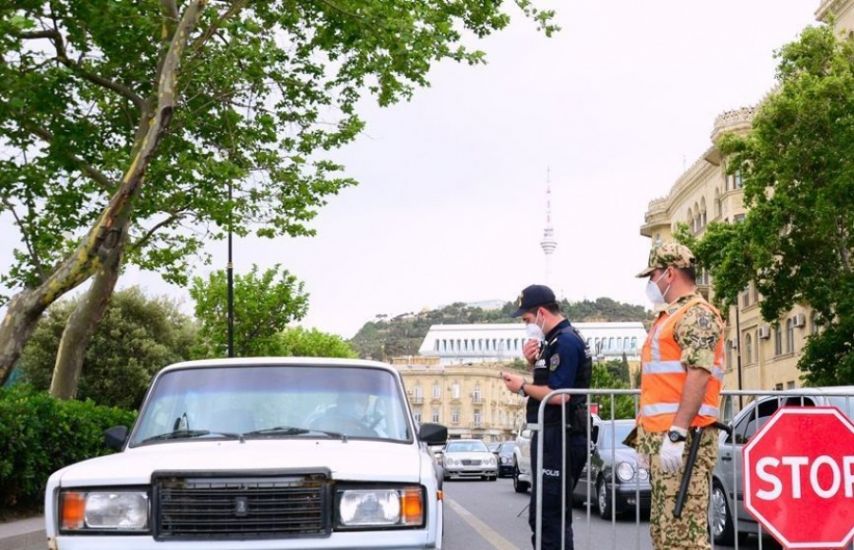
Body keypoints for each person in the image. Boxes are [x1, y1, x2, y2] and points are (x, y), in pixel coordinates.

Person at [633, 242, 725, 550]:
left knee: (684, 538)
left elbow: (699, 373)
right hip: (665, 441)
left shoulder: (697, 314)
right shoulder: (668, 317)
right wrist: (644, 438)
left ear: (669, 273)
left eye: (653, 275)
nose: (650, 283)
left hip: (686, 441)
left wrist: (677, 432)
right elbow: (660, 386)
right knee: (665, 535)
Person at [502, 284, 591, 550]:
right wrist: (533, 364)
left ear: (541, 312)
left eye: (527, 319)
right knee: (544, 515)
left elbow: (560, 394)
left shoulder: (565, 341)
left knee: (549, 516)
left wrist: (521, 385)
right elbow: (551, 382)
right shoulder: (552, 342)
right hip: (553, 434)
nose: (526, 325)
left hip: (562, 436)